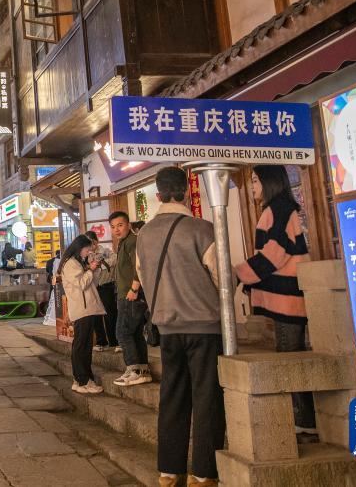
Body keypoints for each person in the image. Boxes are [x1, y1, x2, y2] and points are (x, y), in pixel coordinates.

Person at [135, 166, 224, 487]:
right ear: (187, 192)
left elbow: (143, 278)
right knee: (207, 398)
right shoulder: (202, 229)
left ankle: (169, 473)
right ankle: (203, 474)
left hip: (167, 328)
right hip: (205, 328)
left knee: (172, 398)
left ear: (158, 195)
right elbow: (222, 278)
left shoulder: (144, 235)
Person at [235, 165, 316, 435]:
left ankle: (304, 421)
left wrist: (239, 273)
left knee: (290, 356)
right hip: (286, 296)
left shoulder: (279, 209)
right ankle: (303, 419)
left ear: (270, 182)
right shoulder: (278, 209)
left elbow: (273, 255)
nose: (252, 186)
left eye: (255, 180)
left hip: (287, 297)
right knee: (290, 354)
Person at [61, 234, 106, 395]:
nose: (89, 252)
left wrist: (94, 269)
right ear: (80, 248)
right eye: (87, 249)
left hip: (86, 308)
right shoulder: (71, 264)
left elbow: (92, 283)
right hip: (82, 309)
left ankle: (82, 379)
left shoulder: (77, 262)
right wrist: (90, 269)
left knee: (84, 345)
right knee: (82, 346)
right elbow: (81, 284)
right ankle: (82, 380)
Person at [111, 212, 151, 387]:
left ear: (128, 225)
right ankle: (142, 371)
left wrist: (134, 288)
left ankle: (134, 370)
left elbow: (139, 265)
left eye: (120, 225)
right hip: (128, 293)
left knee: (122, 332)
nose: (116, 230)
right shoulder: (123, 242)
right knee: (135, 333)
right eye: (113, 227)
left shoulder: (132, 241)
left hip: (131, 294)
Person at [85, 234, 118, 351]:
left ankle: (114, 341)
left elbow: (115, 259)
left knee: (110, 313)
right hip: (92, 287)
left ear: (97, 241)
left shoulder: (105, 251)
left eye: (93, 242)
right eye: (88, 243)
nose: (91, 245)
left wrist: (102, 265)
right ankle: (101, 341)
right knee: (95, 314)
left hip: (106, 285)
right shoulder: (86, 254)